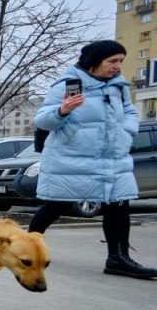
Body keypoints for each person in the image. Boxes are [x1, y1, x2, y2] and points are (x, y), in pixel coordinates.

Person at [30, 40, 155, 279]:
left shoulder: (119, 87)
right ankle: (22, 246)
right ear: (94, 62)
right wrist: (62, 111)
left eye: (121, 61)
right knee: (56, 204)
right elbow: (43, 120)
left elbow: (129, 112)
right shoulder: (71, 84)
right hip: (74, 157)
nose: (117, 66)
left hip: (112, 158)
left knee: (119, 204)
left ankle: (118, 258)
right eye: (112, 61)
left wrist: (127, 131)